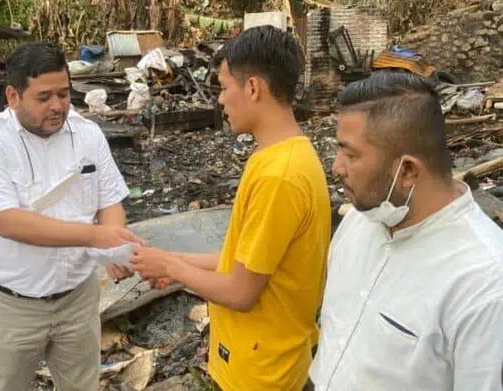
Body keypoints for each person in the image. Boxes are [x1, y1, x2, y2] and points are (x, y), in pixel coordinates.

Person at [131, 25, 332, 390]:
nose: (220, 100)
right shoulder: (272, 156)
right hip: (251, 359)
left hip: (262, 373)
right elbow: (243, 262)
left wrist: (171, 265)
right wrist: (172, 263)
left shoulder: (280, 176)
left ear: (253, 88)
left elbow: (241, 292)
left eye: (224, 88)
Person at [0, 41, 141, 391]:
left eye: (64, 93)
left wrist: (113, 246)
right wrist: (95, 237)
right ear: (13, 96)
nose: (57, 106)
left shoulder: (87, 134)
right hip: (13, 305)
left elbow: (110, 200)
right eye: (43, 97)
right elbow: (8, 222)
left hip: (78, 298)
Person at [310, 71, 503, 390]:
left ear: (408, 171)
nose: (336, 167)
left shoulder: (483, 286)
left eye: (351, 154)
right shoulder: (361, 220)